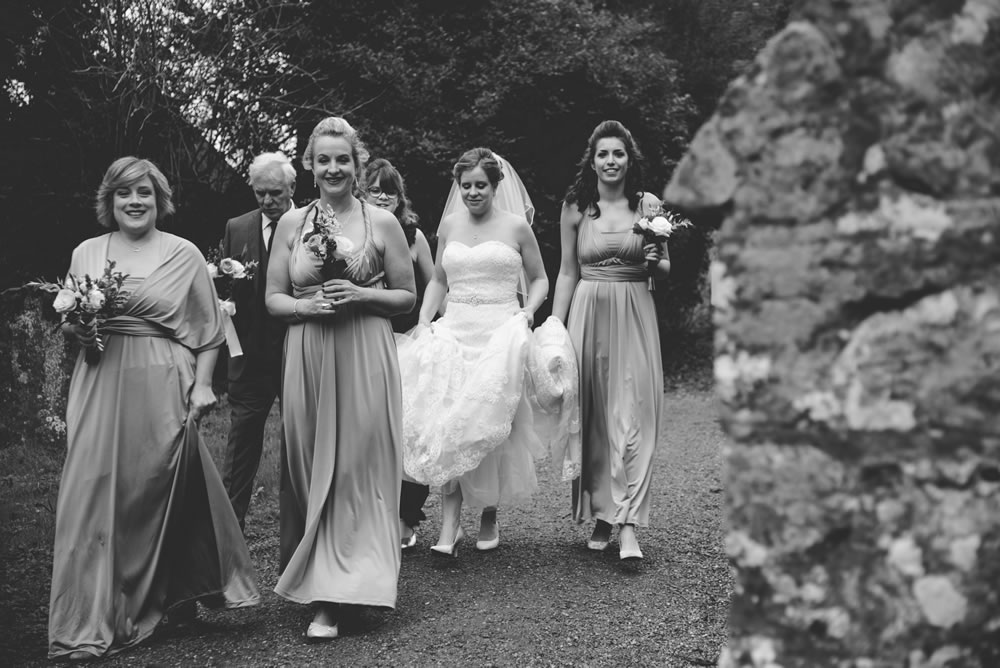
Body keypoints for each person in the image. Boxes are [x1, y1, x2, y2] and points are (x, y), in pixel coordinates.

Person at [48, 157, 259, 661]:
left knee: (152, 493)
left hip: (164, 382)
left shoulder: (182, 254)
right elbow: (71, 321)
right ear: (110, 201)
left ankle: (158, 598)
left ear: (158, 199)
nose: (134, 202)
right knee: (93, 494)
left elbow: (210, 332)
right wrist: (74, 329)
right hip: (100, 382)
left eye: (143, 192)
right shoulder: (87, 252)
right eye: (124, 194)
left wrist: (203, 387)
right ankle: (90, 617)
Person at [265, 117, 415, 640]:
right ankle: (327, 578)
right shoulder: (291, 224)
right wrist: (305, 307)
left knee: (359, 465)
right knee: (314, 466)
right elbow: (273, 298)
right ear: (309, 165)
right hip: (309, 353)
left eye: (343, 159)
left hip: (365, 350)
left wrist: (363, 295)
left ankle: (344, 592)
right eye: (323, 159)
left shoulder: (382, 223)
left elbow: (407, 296)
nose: (333, 168)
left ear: (357, 165)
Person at [396, 147, 549, 557]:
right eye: (466, 186)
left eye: (481, 185)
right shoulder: (449, 224)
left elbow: (539, 279)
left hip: (499, 333)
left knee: (489, 425)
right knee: (449, 420)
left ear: (496, 185)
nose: (473, 192)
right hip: (456, 331)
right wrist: (426, 318)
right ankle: (449, 525)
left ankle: (489, 515)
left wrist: (529, 312)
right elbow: (438, 281)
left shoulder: (516, 227)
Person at [551, 120, 667, 562]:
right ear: (593, 159)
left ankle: (630, 525)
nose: (611, 161)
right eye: (604, 154)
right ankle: (603, 514)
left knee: (634, 415)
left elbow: (664, 270)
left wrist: (655, 261)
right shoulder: (578, 207)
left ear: (628, 157)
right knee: (596, 417)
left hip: (635, 311)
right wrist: (553, 331)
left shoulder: (649, 205)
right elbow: (566, 271)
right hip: (589, 311)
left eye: (618, 153)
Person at [220, 151, 295, 530]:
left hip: (299, 353)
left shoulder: (313, 226)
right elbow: (226, 287)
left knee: (300, 445)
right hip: (249, 357)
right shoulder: (237, 227)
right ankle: (228, 533)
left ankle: (299, 530)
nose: (267, 201)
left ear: (292, 188)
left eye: (275, 193)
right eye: (259, 193)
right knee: (240, 450)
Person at [363, 157, 435, 550]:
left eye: (389, 189)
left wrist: (434, 327)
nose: (382, 196)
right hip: (365, 339)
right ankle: (375, 509)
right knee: (372, 430)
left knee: (411, 429)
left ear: (399, 195)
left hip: (408, 339)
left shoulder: (413, 235)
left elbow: (435, 283)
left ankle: (409, 514)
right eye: (374, 188)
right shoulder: (351, 234)